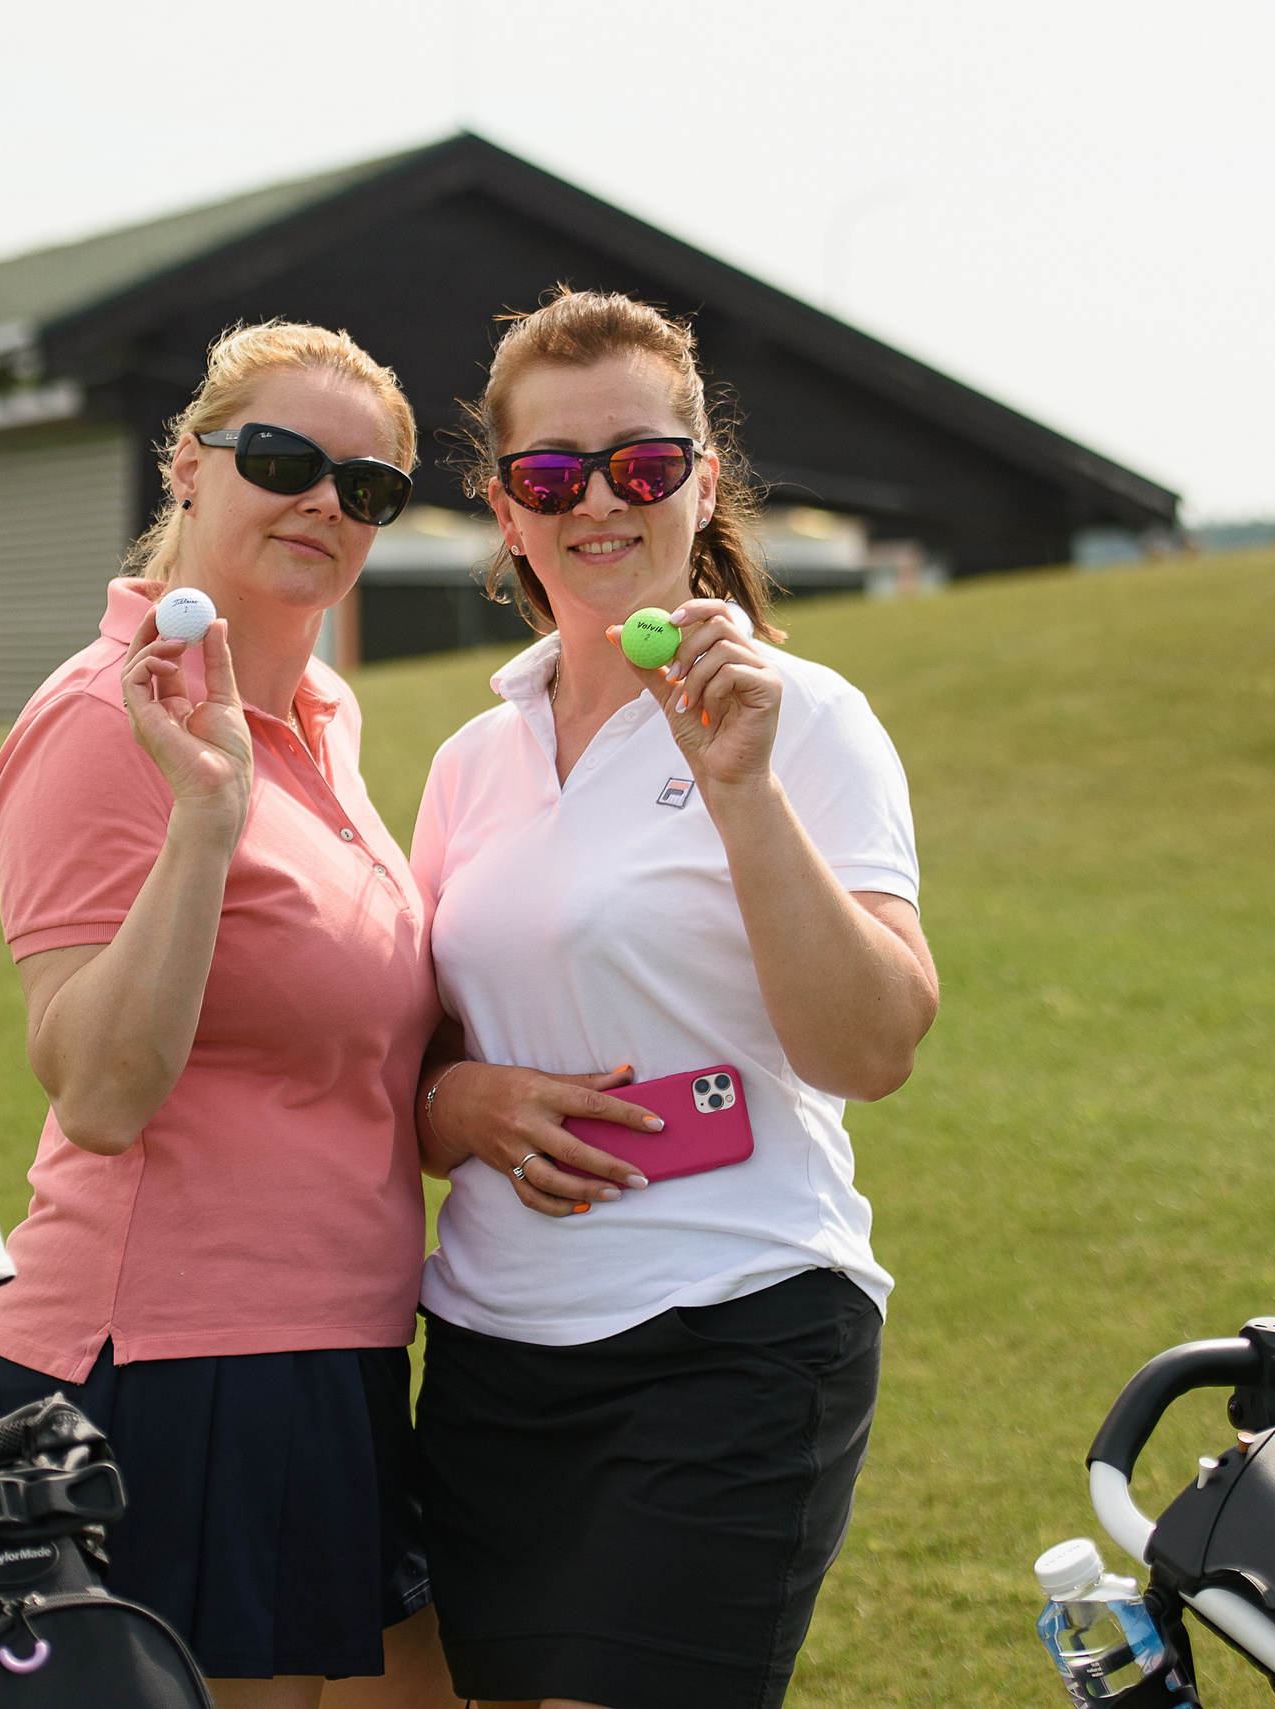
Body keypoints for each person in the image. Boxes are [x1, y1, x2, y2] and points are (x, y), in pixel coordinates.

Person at [410, 290, 940, 1709]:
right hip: (489, 1353)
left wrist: (743, 790)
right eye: (551, 475)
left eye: (642, 465)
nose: (600, 503)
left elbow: (874, 1043)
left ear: (703, 482)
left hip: (732, 1330)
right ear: (506, 511)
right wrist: (464, 1099)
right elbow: (412, 1069)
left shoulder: (805, 717)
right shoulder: (472, 758)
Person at [0, 321, 454, 1709]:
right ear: (189, 465)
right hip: (174, 1369)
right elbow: (100, 1089)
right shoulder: (100, 719)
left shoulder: (325, 715)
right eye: (285, 459)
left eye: (367, 487)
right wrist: (205, 816)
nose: (326, 502)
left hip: (337, 1351)